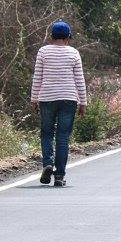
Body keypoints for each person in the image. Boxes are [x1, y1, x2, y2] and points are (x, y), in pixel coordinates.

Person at [31, 20, 87, 187]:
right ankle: (60, 176)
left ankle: (48, 163)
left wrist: (33, 99)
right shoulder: (74, 53)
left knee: (47, 133)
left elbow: (37, 77)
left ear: (51, 36)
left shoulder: (43, 52)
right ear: (68, 37)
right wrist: (83, 102)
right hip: (68, 99)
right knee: (63, 137)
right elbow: (79, 80)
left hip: (47, 98)